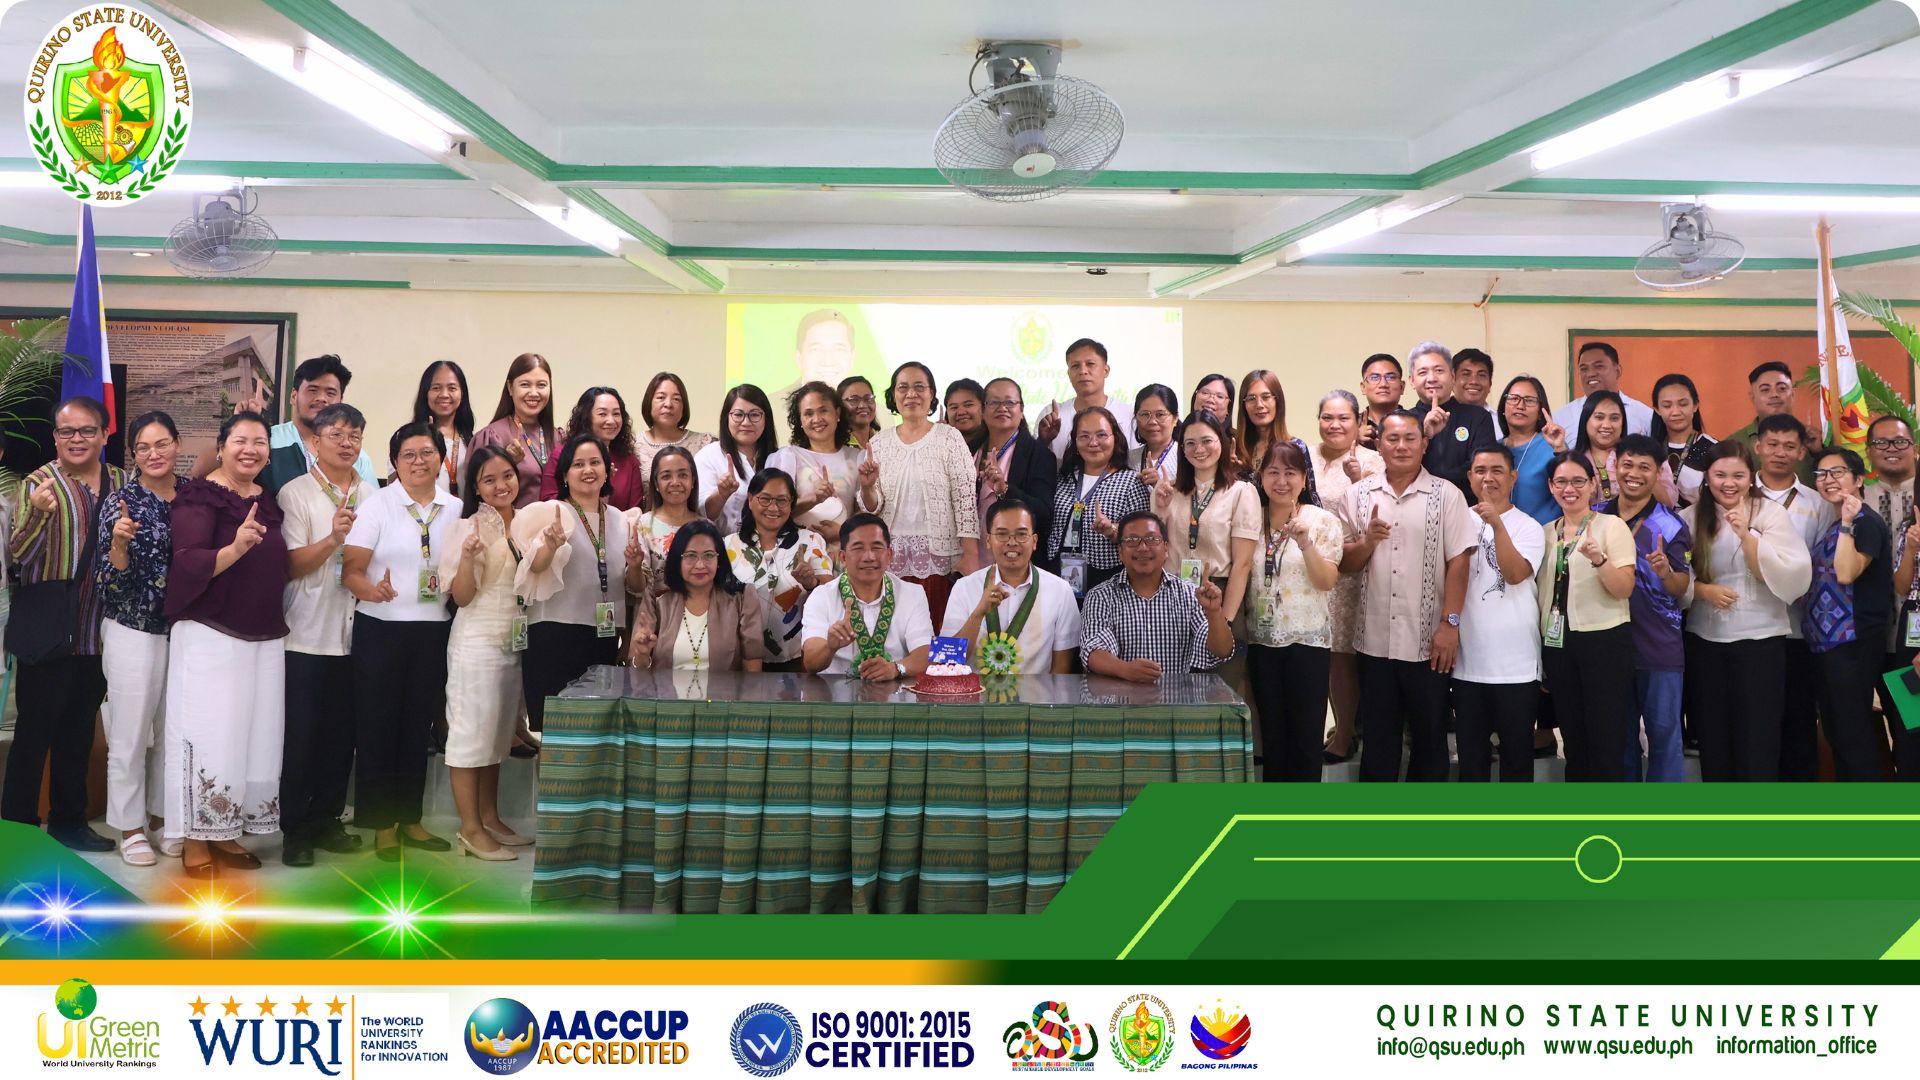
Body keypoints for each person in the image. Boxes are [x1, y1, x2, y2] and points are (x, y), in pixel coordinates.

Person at [163, 411, 287, 877]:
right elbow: (187, 561)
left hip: (263, 634)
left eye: (259, 442)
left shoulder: (266, 499)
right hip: (211, 633)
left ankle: (225, 829)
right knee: (209, 734)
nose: (250, 449)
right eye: (240, 440)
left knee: (250, 736)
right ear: (220, 447)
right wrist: (234, 549)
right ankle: (195, 837)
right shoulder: (199, 496)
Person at [2, 397, 124, 850]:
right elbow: (18, 556)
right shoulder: (38, 483)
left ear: (104, 434)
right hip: (49, 632)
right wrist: (37, 513)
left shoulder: (122, 481)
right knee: (33, 735)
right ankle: (17, 829)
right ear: (55, 437)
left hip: (98, 634)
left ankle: (69, 823)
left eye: (87, 430)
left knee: (78, 733)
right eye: (67, 431)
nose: (77, 439)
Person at [342, 423, 460, 861]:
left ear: (441, 459)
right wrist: (372, 591)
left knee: (417, 727)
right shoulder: (377, 505)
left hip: (433, 629)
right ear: (394, 462)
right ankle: (382, 826)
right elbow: (351, 570)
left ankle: (411, 819)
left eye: (427, 452)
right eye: (408, 454)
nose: (418, 461)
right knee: (378, 727)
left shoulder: (455, 508)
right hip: (381, 629)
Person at [1338, 411, 1477, 782]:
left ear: (1424, 444)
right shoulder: (1357, 495)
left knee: (1430, 739)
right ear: (1379, 445)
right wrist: (1368, 541)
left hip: (1429, 642)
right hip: (1374, 642)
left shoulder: (1447, 495)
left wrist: (1450, 625)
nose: (1401, 446)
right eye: (1393, 439)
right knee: (1378, 743)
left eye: (1410, 439)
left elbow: (1459, 561)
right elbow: (1345, 564)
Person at [440, 446, 558, 860]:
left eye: (507, 475)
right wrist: (467, 559)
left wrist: (550, 546)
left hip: (512, 643)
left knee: (495, 736)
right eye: (489, 480)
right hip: (476, 643)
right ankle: (470, 829)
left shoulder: (525, 523)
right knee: (470, 737)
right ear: (476, 488)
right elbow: (462, 597)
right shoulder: (468, 528)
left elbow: (536, 573)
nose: (501, 485)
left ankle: (489, 818)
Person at [1680, 441, 1813, 782]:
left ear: (1750, 476)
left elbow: (1790, 572)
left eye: (1738, 475)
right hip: (1705, 640)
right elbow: (1677, 578)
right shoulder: (1689, 518)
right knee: (1713, 734)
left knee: (1758, 735)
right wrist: (1703, 590)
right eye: (1720, 475)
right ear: (1707, 477)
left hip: (1761, 640)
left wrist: (1746, 535)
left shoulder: (1769, 513)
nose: (1729, 483)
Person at [274, 403, 370, 867]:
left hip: (357, 635)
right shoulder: (294, 493)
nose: (346, 443)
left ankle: (327, 820)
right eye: (336, 434)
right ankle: (295, 830)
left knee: (340, 738)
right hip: (306, 634)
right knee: (301, 739)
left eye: (355, 435)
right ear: (314, 441)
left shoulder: (371, 495)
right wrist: (333, 539)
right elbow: (291, 565)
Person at [95, 411, 178, 864]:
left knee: (173, 731)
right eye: (143, 447)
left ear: (176, 444)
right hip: (133, 629)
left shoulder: (195, 496)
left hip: (185, 632)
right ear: (133, 454)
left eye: (161, 443)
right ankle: (130, 827)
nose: (153, 454)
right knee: (129, 733)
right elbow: (110, 583)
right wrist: (120, 544)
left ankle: (163, 817)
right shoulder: (121, 502)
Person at [521, 434, 642, 729]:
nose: (588, 470)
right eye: (578, 464)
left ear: (607, 471)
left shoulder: (620, 519)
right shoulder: (552, 512)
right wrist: (550, 546)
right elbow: (534, 567)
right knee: (557, 728)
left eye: (595, 462)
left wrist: (636, 565)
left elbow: (633, 587)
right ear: (564, 474)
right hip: (555, 633)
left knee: (596, 728)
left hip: (603, 634)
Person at [1535, 454, 1638, 782]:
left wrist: (1599, 560)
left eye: (1578, 481)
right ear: (1551, 487)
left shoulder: (1611, 526)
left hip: (1604, 641)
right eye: (1561, 482)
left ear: (1593, 484)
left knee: (1606, 739)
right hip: (1558, 644)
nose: (1570, 489)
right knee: (1574, 739)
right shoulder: (1545, 533)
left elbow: (1624, 589)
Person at [1243, 442, 1342, 780]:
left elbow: (1327, 581)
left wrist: (1305, 543)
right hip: (1261, 641)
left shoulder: (1321, 520)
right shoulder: (1251, 519)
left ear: (1304, 479)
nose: (1281, 481)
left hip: (1308, 642)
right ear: (1261, 477)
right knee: (1273, 739)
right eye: (1273, 472)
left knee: (1305, 739)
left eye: (1290, 473)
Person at [855, 361, 981, 626]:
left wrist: (970, 555)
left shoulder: (949, 437)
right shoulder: (878, 443)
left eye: (919, 387)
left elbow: (965, 500)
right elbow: (872, 508)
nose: (911, 394)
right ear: (893, 396)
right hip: (890, 559)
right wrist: (867, 487)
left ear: (932, 394)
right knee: (894, 634)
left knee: (937, 633)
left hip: (940, 562)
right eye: (903, 388)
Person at [1450, 445, 1547, 783]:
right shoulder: (1456, 522)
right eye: (1480, 471)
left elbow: (1516, 573)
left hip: (1517, 667)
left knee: (1517, 763)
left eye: (1497, 471)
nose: (1488, 478)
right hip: (1467, 664)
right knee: (1472, 765)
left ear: (1513, 477)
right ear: (1469, 477)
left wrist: (1496, 524)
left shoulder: (1529, 527)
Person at [1601, 435, 1694, 783]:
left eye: (1645, 467)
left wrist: (1666, 572)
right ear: (1615, 466)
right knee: (1618, 741)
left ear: (1658, 473)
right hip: (1607, 647)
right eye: (1627, 464)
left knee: (1665, 739)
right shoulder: (1595, 516)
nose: (1634, 474)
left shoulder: (1671, 524)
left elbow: (1681, 586)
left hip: (1658, 647)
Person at [1752, 412, 1833, 782]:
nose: (1780, 453)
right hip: (1748, 631)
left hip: (1799, 632)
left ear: (1801, 452)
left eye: (1789, 446)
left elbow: (1823, 566)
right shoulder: (1738, 496)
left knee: (1799, 721)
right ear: (1758, 447)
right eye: (1772, 444)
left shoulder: (1818, 504)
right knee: (1757, 724)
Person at [1805, 446, 1893, 782]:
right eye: (1821, 474)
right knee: (1837, 732)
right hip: (1828, 645)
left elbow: (1846, 572)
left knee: (1852, 734)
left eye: (1837, 472)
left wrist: (1845, 524)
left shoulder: (1864, 522)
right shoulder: (1833, 522)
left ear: (1858, 479)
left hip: (1853, 643)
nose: (1828, 479)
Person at [1310, 390, 1383, 764]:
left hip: (1355, 567)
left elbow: (1380, 513)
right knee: (1322, 654)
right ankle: (1336, 727)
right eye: (1327, 417)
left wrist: (1360, 480)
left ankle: (1348, 732)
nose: (1334, 425)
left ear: (1358, 422)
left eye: (1343, 418)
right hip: (1311, 567)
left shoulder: (1374, 460)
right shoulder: (1305, 456)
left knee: (1346, 655)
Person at [1080, 511, 1233, 683]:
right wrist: (1125, 670)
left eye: (1152, 539)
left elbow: (1222, 651)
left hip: (1177, 698)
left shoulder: (1190, 595)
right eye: (1132, 540)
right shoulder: (1100, 596)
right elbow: (1092, 650)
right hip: (1119, 698)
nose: (1142, 547)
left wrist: (1214, 613)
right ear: (1120, 552)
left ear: (1166, 548)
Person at [944, 500, 1082, 674]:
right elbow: (946, 660)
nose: (1012, 542)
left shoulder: (1060, 591)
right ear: (988, 540)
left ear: (1034, 541)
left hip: (1036, 691)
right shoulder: (963, 587)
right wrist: (977, 615)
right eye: (1002, 534)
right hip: (976, 691)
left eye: (1021, 534)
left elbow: (1061, 669)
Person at [1156, 412, 1258, 633]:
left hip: (1218, 593)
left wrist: (1225, 620)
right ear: (1182, 449)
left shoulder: (1241, 492)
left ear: (1222, 442)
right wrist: (1161, 510)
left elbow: (1242, 564)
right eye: (1190, 443)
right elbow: (1156, 549)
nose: (1199, 449)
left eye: (1206, 441)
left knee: (1220, 656)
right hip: (1172, 595)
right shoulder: (1167, 491)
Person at [800, 513, 934, 680]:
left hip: (894, 690)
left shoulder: (913, 594)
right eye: (858, 548)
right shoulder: (821, 597)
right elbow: (811, 663)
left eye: (877, 548)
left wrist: (896, 668)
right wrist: (830, 647)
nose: (869, 557)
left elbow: (926, 653)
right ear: (843, 557)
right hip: (836, 693)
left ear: (889, 555)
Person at [725, 468, 832, 671]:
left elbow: (831, 592)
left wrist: (812, 583)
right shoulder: (728, 545)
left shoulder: (810, 540)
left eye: (782, 500)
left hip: (796, 658)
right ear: (750, 500)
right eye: (765, 499)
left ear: (791, 504)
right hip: (740, 658)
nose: (773, 508)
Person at [1043, 406, 1150, 600]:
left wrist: (1113, 530)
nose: (1093, 443)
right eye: (1084, 436)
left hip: (1106, 577)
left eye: (1101, 435)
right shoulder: (1063, 478)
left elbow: (1141, 537)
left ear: (1115, 438)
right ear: (1075, 441)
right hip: (1058, 572)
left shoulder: (1132, 482)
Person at [633, 518, 765, 673]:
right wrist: (642, 655)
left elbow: (752, 668)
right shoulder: (657, 601)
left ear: (719, 560)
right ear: (678, 560)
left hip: (723, 689)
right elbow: (639, 675)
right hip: (665, 689)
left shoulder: (741, 599)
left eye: (708, 555)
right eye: (691, 555)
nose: (700, 564)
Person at [975, 377, 1057, 569]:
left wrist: (1005, 489)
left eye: (1010, 402)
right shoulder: (970, 450)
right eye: (994, 402)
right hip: (972, 561)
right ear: (983, 411)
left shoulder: (1039, 454)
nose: (1002, 408)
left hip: (1016, 562)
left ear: (1021, 411)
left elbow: (1043, 513)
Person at [260, 355, 378, 486]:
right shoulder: (268, 441)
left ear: (341, 401)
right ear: (294, 396)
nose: (321, 398)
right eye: (313, 390)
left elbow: (371, 498)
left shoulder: (357, 457)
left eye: (330, 393)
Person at [770, 381, 860, 545]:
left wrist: (843, 532)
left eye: (823, 410)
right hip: (797, 551)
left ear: (837, 413)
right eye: (808, 414)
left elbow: (864, 513)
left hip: (844, 553)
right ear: (800, 420)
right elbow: (773, 511)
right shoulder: (789, 456)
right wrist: (813, 499)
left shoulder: (856, 457)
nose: (817, 419)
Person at [1408, 341, 1499, 499]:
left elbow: (1481, 468)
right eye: (1423, 372)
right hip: (1413, 505)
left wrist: (1435, 483)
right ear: (1412, 381)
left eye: (1439, 371)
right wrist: (1425, 436)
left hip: (1466, 505)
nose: (1432, 378)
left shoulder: (1478, 417)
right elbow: (1399, 469)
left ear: (1452, 376)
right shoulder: (1402, 420)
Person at [469, 352, 556, 508]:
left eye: (541, 385)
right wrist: (506, 461)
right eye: (525, 385)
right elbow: (476, 494)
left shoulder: (558, 437)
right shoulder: (492, 436)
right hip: (510, 522)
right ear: (510, 387)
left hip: (554, 522)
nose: (534, 393)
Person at [542, 387, 645, 510]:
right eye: (602, 414)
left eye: (616, 414)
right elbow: (547, 501)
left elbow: (635, 510)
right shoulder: (562, 454)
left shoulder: (628, 460)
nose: (611, 421)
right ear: (586, 417)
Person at [696, 384, 778, 534]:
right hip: (722, 544)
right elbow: (701, 513)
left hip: (772, 544)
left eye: (754, 415)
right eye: (738, 415)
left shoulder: (778, 458)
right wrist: (721, 495)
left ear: (766, 419)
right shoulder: (709, 455)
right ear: (726, 417)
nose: (746, 422)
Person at [1036, 338, 1134, 462]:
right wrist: (1043, 441)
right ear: (1069, 374)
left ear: (1106, 370)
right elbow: (1034, 462)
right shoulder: (1051, 415)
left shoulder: (1128, 414)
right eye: (1075, 366)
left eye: (1090, 364)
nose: (1082, 371)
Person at [1727, 361, 1815, 485]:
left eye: (1782, 388)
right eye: (1765, 390)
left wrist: (1818, 451)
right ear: (1752, 397)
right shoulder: (1734, 443)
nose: (1774, 394)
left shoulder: (1812, 440)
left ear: (1792, 394)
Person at [627, 445, 702, 589]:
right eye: (666, 476)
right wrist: (634, 567)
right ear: (656, 483)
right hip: (655, 604)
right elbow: (637, 588)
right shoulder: (643, 525)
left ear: (693, 481)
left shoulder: (706, 527)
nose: (675, 482)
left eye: (683, 475)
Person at [1496, 374, 1565, 523]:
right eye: (1514, 398)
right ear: (1503, 407)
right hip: (1500, 533)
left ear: (1540, 411)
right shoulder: (1494, 449)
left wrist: (1560, 448)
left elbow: (1571, 484)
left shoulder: (1552, 445)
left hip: (1544, 532)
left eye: (1529, 400)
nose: (1520, 406)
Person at [1550, 341, 1654, 438]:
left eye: (1598, 366)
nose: (1590, 374)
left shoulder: (1644, 415)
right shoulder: (1561, 418)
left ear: (1618, 371)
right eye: (1584, 369)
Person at [633, 372, 714, 481]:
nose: (668, 404)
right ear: (649, 402)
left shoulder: (704, 444)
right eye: (661, 397)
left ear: (684, 407)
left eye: (676, 399)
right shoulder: (633, 446)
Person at [1652, 373, 1715, 508]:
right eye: (1667, 406)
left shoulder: (1713, 448)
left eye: (1683, 404)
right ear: (1657, 409)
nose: (1675, 412)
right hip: (1658, 521)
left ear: (1695, 405)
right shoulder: (1649, 450)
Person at [413, 360, 473, 497]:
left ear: (462, 394)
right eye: (436, 388)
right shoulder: (407, 439)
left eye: (452, 388)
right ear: (425, 393)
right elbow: (394, 486)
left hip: (466, 511)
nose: (444, 394)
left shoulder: (473, 441)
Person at [1232, 369, 1287, 481]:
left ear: (1278, 401)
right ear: (1244, 405)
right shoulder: (1235, 449)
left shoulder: (1295, 447)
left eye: (1266, 397)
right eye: (1251, 398)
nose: (1259, 405)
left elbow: (1308, 492)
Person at [1130, 384, 1180, 490]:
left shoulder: (1185, 456)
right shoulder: (1129, 459)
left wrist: (1159, 485)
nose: (1152, 421)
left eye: (1160, 414)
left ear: (1175, 418)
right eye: (1145, 414)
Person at [794, 308, 857, 388]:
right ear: (799, 358)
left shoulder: (866, 395)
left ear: (852, 358)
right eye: (816, 349)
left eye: (838, 349)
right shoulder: (778, 397)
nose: (828, 362)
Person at [1357, 353, 1404, 450]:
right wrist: (1351, 440)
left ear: (1402, 387)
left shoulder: (1416, 423)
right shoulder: (1350, 425)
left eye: (1390, 377)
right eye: (1375, 377)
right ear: (1363, 387)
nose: (1383, 384)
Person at [837, 375, 884, 449]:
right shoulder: (834, 445)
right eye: (854, 400)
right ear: (839, 405)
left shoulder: (885, 441)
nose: (862, 405)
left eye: (868, 398)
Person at [943, 378, 987, 454]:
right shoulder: (940, 445)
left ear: (984, 409)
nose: (961, 412)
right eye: (954, 407)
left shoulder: (995, 444)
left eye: (968, 405)